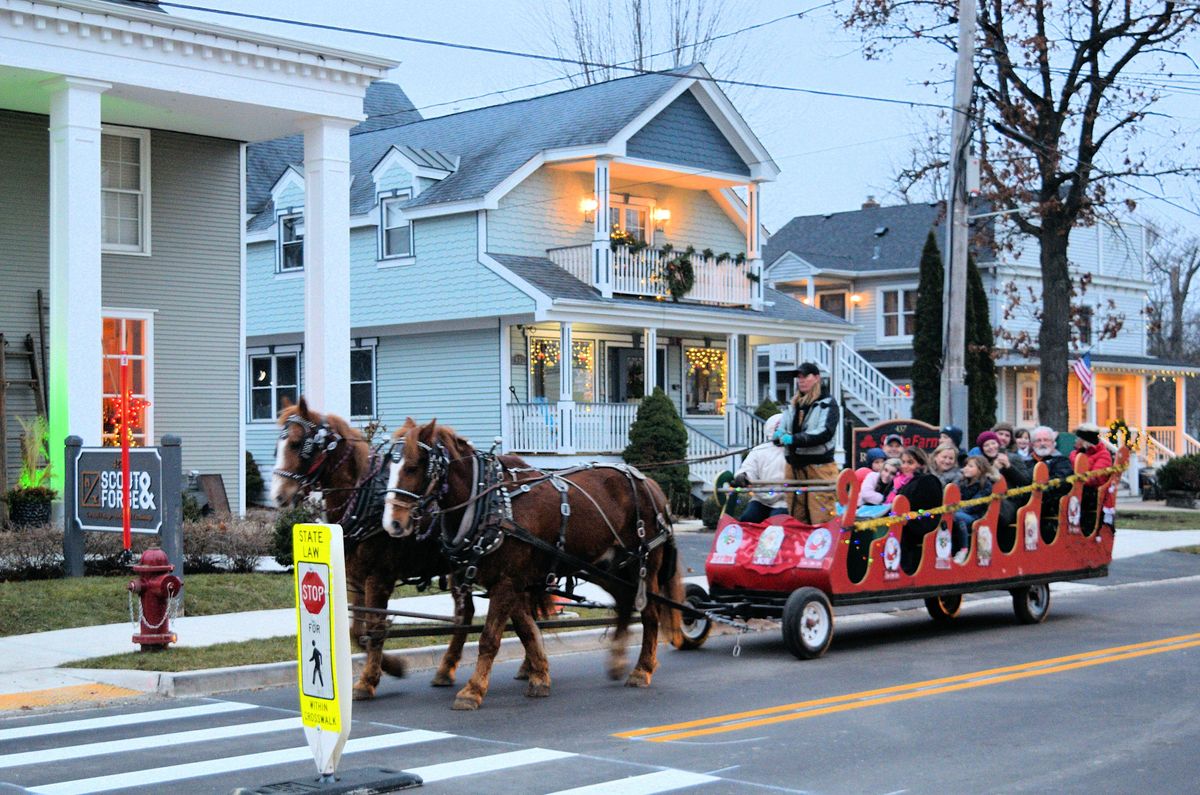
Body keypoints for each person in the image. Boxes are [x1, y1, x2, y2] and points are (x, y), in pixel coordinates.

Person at [777, 362, 841, 524]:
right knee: (795, 514)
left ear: (817, 378)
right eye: (799, 377)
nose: (801, 380)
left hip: (819, 468)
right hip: (794, 466)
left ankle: (824, 548)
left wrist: (795, 439)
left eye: (805, 376)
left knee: (821, 514)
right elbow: (782, 428)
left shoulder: (827, 403)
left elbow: (824, 433)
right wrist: (778, 435)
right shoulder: (793, 404)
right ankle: (799, 548)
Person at [892, 447, 946, 573]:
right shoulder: (902, 482)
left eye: (910, 462)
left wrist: (908, 517)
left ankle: (903, 568)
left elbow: (928, 508)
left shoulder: (927, 480)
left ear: (921, 463)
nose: (905, 466)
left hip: (920, 523)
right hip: (903, 519)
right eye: (903, 462)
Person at [732, 413, 789, 524]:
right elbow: (748, 468)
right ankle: (752, 542)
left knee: (776, 523)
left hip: (785, 499)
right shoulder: (759, 450)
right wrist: (743, 476)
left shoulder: (796, 451)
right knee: (748, 520)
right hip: (761, 498)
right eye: (778, 428)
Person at [952, 455, 997, 564]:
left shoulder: (985, 485)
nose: (966, 468)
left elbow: (975, 504)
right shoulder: (961, 482)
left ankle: (964, 550)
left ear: (980, 470)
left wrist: (957, 511)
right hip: (960, 511)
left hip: (976, 515)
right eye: (966, 465)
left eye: (970, 466)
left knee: (958, 517)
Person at [1070, 423, 1115, 531]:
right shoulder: (1074, 454)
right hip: (1075, 488)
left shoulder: (1103, 455)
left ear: (1085, 441)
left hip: (1094, 493)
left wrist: (1076, 480)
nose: (1075, 441)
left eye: (1078, 438)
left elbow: (1096, 478)